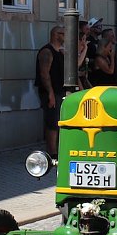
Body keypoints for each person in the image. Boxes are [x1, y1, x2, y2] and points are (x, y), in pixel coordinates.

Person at [36, 26, 65, 159]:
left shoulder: (62, 51)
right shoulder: (47, 51)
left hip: (61, 90)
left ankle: (59, 149)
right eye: (62, 33)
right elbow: (44, 74)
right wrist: (50, 93)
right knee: (52, 122)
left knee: (59, 122)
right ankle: (52, 153)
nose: (65, 36)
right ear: (55, 35)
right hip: (51, 91)